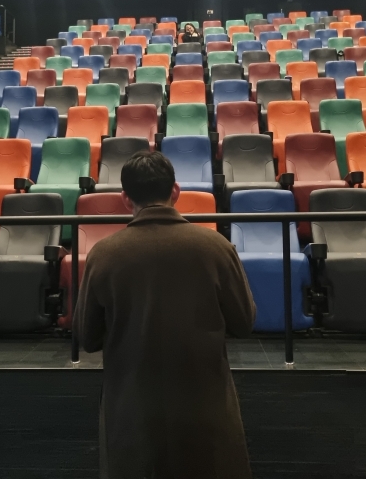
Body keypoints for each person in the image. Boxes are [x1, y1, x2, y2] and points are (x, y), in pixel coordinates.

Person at [75, 151, 256, 479]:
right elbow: (244, 322)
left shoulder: (103, 254)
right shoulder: (216, 246)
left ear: (125, 198)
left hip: (132, 410)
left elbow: (86, 337)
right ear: (175, 191)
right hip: (205, 406)